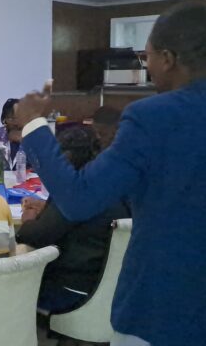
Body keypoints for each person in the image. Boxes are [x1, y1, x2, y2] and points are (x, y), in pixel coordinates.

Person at [15, 4, 206, 346]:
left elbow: (79, 199)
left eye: (148, 57)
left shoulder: (149, 117)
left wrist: (34, 125)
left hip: (155, 313)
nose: (148, 67)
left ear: (168, 58)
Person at [17, 126, 130, 315]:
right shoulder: (109, 183)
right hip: (111, 291)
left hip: (71, 291)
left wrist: (28, 221)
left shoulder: (75, 190)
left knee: (10, 285)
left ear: (66, 158)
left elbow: (34, 236)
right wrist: (48, 207)